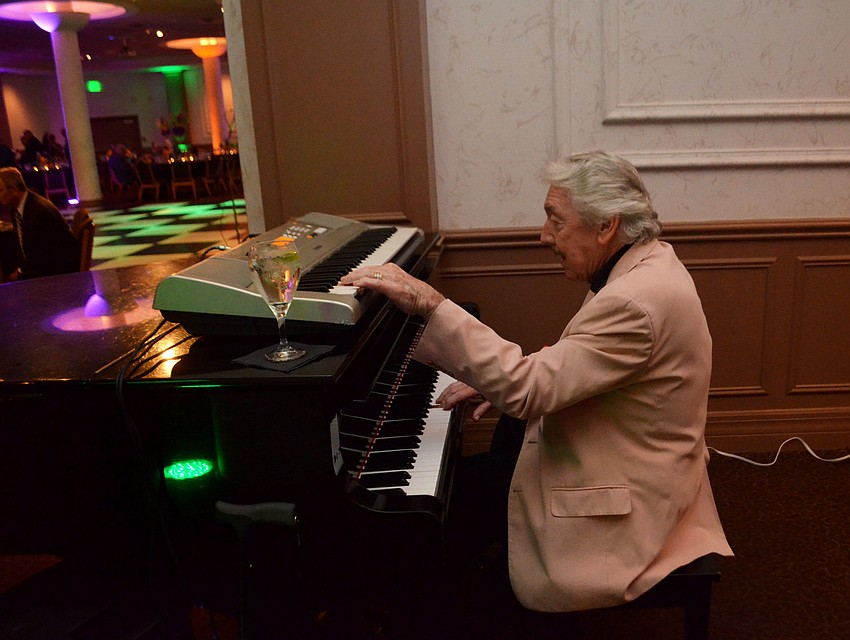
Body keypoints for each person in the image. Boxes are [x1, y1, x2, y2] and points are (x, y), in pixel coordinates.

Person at [340, 151, 733, 613]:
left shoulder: (634, 299)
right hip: (640, 452)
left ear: (606, 225)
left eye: (556, 221)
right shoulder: (646, 262)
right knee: (501, 446)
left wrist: (430, 303)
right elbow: (590, 360)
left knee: (448, 502)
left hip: (634, 489)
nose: (544, 235)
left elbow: (528, 390)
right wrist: (498, 379)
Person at [0, 166, 79, 279]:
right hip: (44, 268)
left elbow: (49, 260)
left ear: (13, 190)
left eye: (0, 190)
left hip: (59, 275)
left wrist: (21, 275)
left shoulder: (40, 212)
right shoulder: (16, 208)